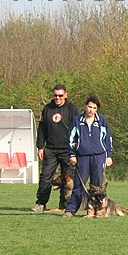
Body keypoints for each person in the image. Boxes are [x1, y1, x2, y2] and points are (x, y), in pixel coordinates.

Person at [63, 95, 113, 217]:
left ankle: (97, 211)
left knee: (98, 187)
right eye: (89, 107)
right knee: (79, 185)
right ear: (85, 106)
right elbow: (71, 139)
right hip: (82, 157)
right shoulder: (77, 120)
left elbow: (107, 139)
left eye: (94, 108)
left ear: (97, 109)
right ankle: (70, 210)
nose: (91, 110)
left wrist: (109, 156)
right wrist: (72, 154)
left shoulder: (101, 121)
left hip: (99, 157)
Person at [32, 84, 79, 212]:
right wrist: (40, 147)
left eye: (60, 95)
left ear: (65, 95)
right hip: (51, 149)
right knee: (45, 177)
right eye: (55, 95)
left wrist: (76, 150)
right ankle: (41, 203)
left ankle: (66, 204)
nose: (57, 98)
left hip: (68, 150)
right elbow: (42, 129)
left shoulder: (72, 109)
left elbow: (78, 130)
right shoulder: (47, 108)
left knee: (69, 179)